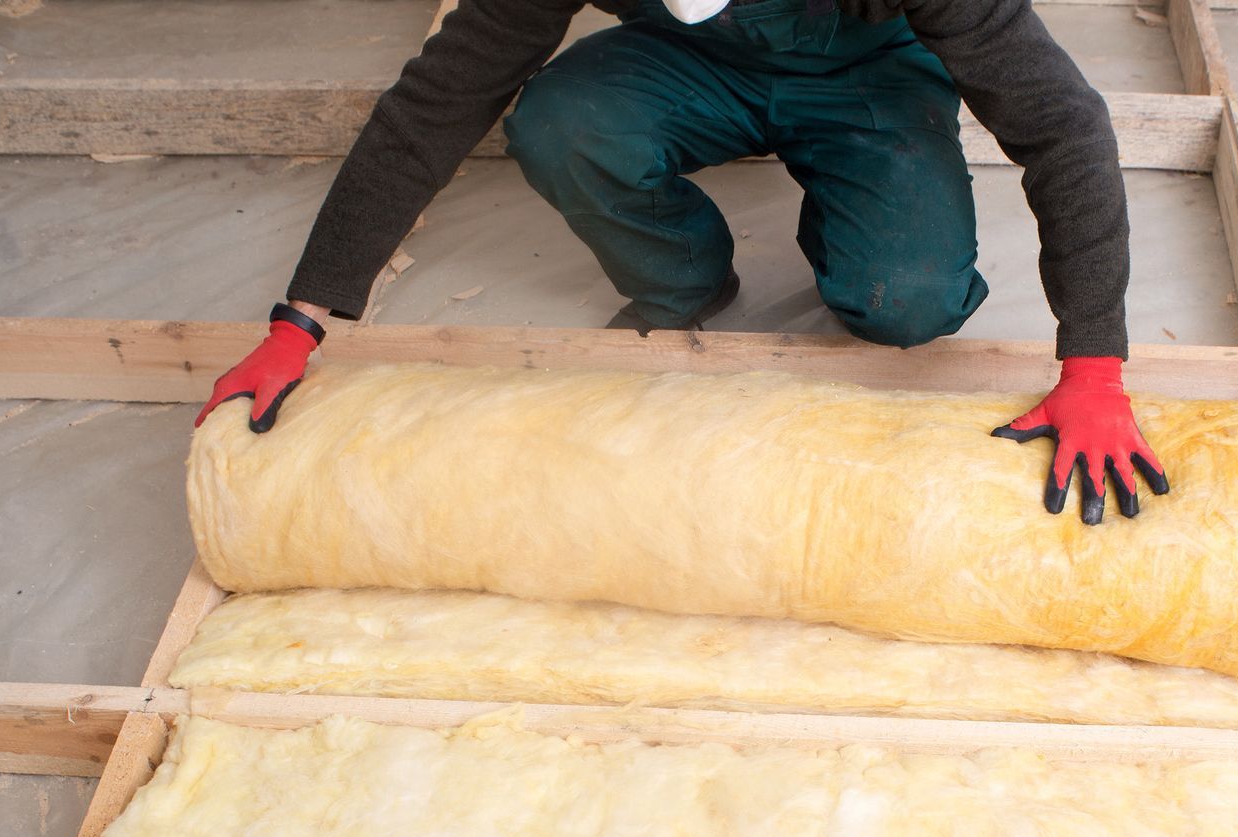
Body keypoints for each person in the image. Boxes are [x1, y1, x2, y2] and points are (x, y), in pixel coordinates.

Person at [198, 0, 1169, 524]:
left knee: (906, 297)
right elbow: (439, 98)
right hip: (690, 68)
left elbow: (1062, 124)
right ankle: (684, 282)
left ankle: (847, 222)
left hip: (864, 70)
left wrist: (1093, 363)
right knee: (562, 123)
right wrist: (304, 316)